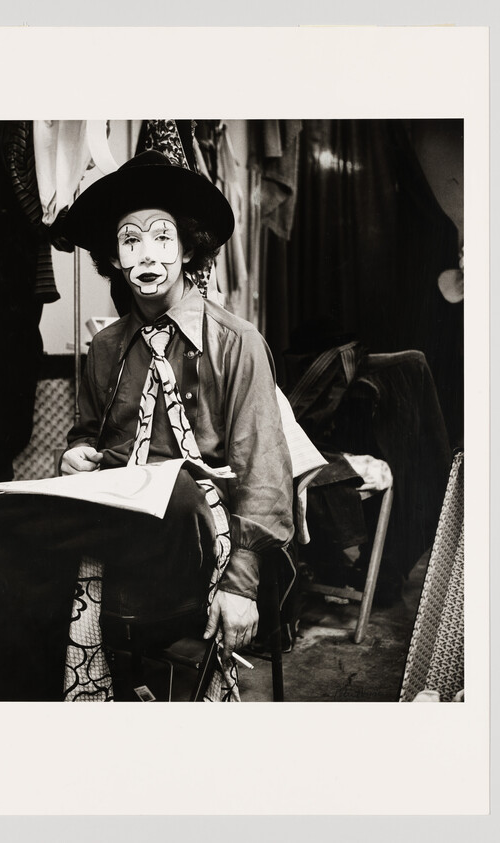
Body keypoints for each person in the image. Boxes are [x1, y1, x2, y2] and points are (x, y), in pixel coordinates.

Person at [60, 150, 295, 666]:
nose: (147, 256)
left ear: (188, 249)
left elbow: (263, 472)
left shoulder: (237, 342)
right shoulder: (104, 348)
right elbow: (87, 434)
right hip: (120, 526)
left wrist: (241, 584)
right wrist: (77, 453)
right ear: (114, 259)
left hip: (200, 538)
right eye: (130, 241)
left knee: (181, 492)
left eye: (162, 238)